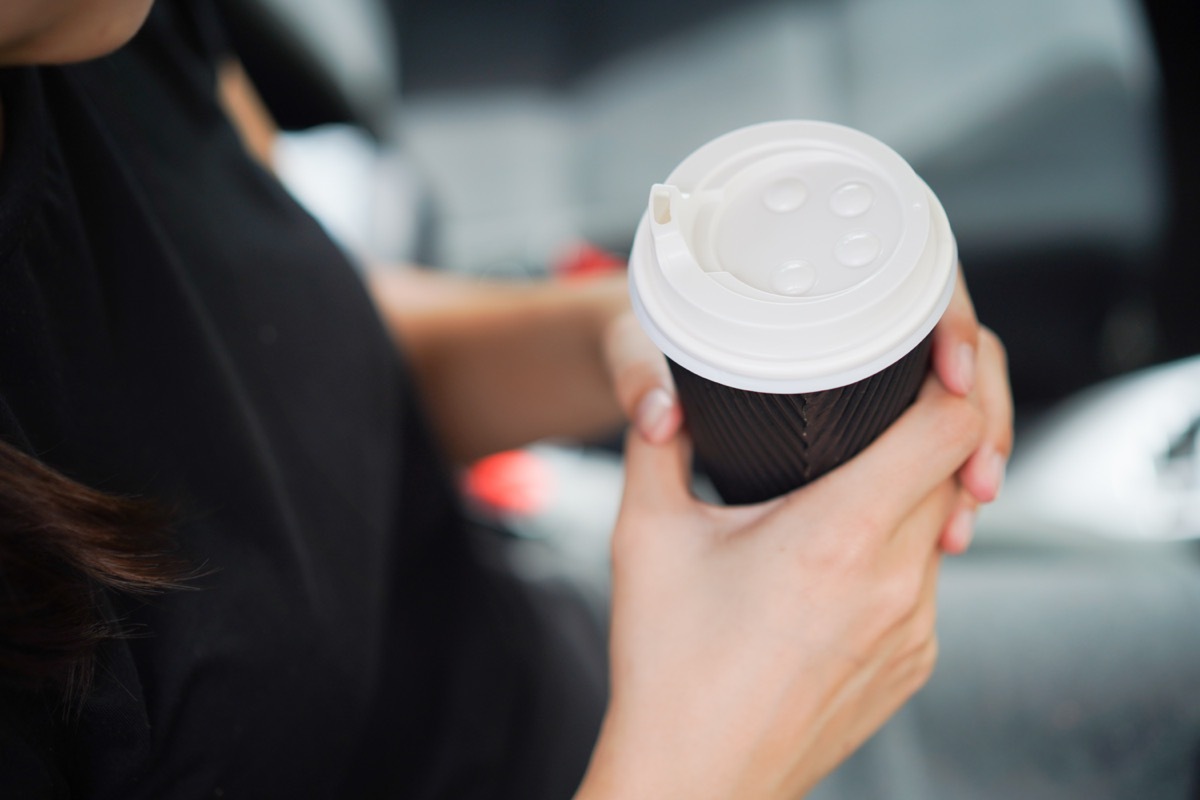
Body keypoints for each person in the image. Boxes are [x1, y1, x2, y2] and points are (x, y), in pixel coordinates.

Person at [0, 0, 1010, 797]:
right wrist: (709, 759)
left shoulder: (91, 27)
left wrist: (655, 335)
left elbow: (284, 327)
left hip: (577, 655)